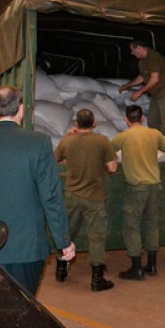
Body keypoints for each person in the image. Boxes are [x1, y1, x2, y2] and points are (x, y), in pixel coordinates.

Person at [0, 85, 75, 295]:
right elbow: (50, 196)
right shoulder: (38, 143)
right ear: (21, 109)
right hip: (28, 248)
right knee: (25, 303)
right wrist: (63, 241)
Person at [54, 109, 118, 292]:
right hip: (94, 197)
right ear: (94, 122)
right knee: (96, 237)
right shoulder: (102, 141)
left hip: (72, 195)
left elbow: (54, 158)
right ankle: (97, 279)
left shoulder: (67, 141)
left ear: (76, 123)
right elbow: (113, 168)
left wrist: (68, 137)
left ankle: (61, 270)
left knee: (66, 233)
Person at [111, 105, 165, 280]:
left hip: (137, 188)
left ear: (126, 119)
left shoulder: (122, 137)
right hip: (155, 186)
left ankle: (136, 268)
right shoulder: (155, 134)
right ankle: (152, 265)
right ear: (143, 118)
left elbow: (107, 153)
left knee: (132, 225)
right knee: (151, 224)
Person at [118, 40, 165, 135]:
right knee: (152, 122)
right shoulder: (142, 62)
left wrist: (139, 92)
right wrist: (127, 86)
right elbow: (141, 78)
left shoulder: (153, 57)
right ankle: (156, 141)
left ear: (139, 48)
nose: (132, 53)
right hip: (156, 95)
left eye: (133, 50)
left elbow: (154, 79)